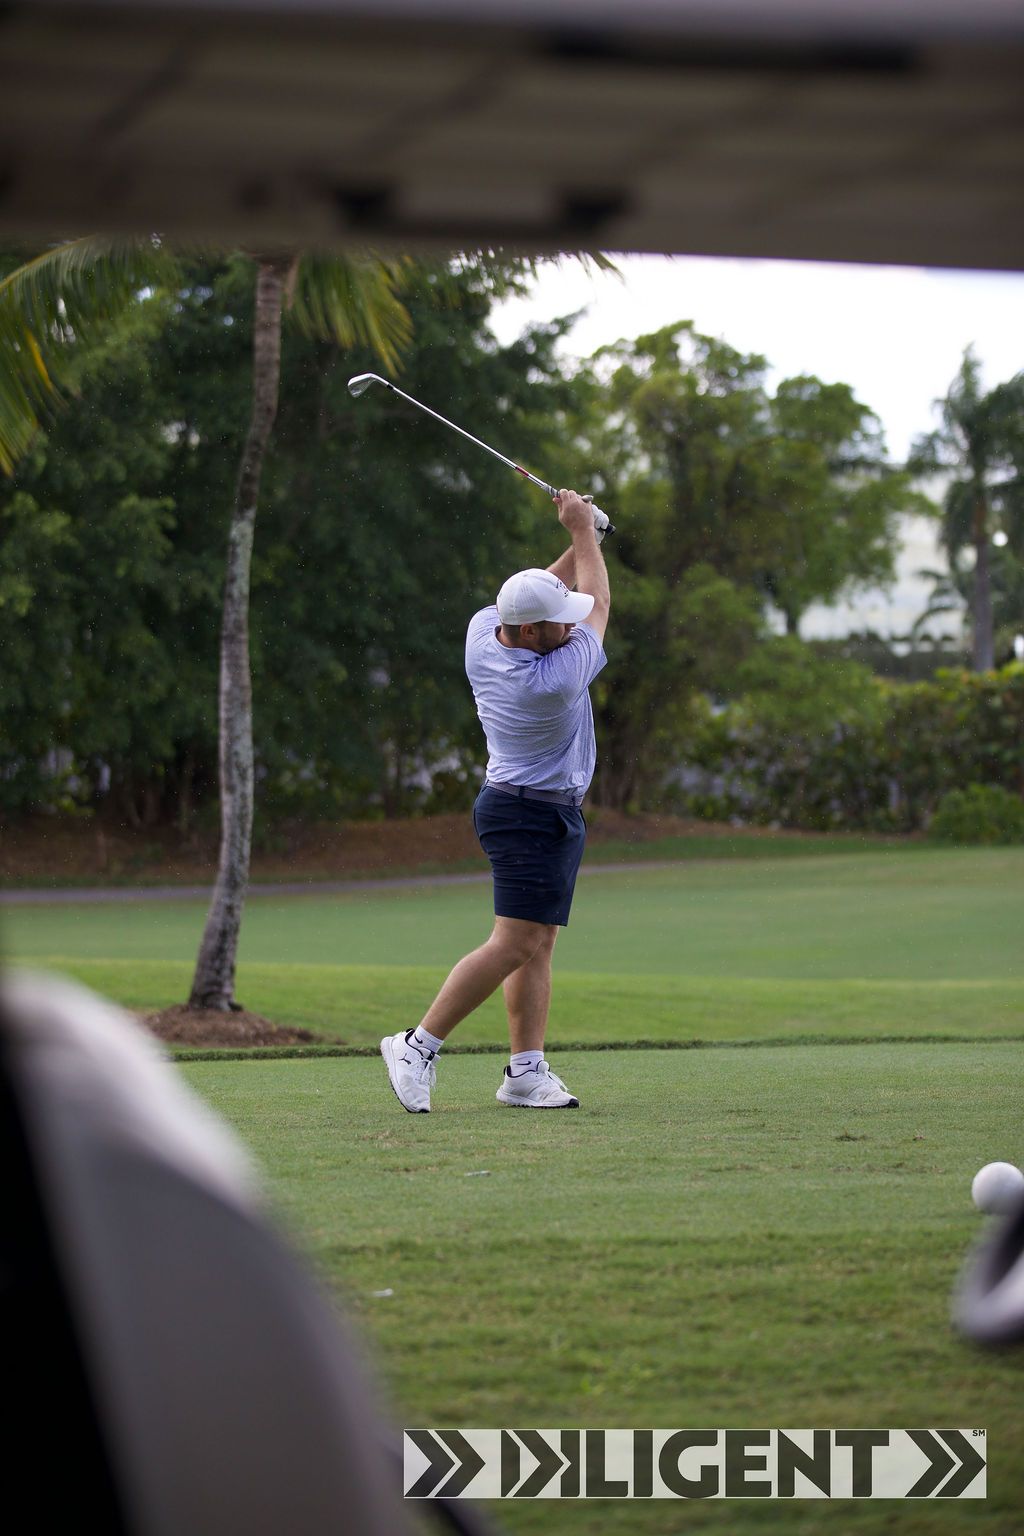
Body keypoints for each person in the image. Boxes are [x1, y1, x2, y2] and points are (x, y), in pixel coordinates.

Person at [381, 488, 611, 1113]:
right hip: (526, 813)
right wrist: (582, 533)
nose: (570, 625)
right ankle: (416, 1046)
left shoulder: (485, 631)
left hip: (541, 809)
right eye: (560, 621)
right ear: (533, 633)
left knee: (538, 942)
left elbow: (533, 594)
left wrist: (582, 538)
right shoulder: (554, 679)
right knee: (513, 942)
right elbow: (599, 605)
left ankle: (525, 1072)